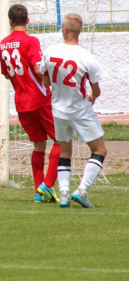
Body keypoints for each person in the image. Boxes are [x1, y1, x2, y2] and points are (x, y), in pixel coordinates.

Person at [39, 13, 106, 208]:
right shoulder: (87, 56)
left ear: (65, 30)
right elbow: (96, 89)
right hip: (80, 110)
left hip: (58, 110)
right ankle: (82, 190)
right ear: (80, 32)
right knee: (100, 149)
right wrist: (92, 96)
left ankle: (65, 194)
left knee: (65, 151)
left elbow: (45, 80)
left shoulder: (50, 51)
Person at [0, 4, 61, 203]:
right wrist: (50, 80)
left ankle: (38, 192)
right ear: (28, 20)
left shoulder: (3, 44)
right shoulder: (31, 41)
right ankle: (48, 185)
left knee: (39, 144)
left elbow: (7, 74)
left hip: (21, 101)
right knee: (61, 140)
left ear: (9, 22)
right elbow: (37, 67)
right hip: (40, 98)